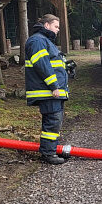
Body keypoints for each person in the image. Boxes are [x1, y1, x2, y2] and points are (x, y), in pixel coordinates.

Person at [24, 14, 69, 165]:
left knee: (53, 121)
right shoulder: (37, 41)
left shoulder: (44, 41)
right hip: (48, 91)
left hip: (51, 91)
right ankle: (49, 154)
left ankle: (50, 150)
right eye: (56, 27)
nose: (57, 30)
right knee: (52, 121)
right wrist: (54, 85)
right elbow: (42, 65)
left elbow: (50, 63)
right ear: (47, 25)